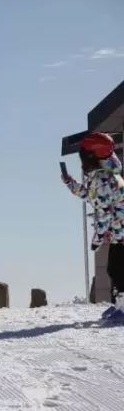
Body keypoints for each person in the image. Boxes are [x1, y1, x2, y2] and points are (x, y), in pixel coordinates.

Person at [62, 131, 124, 320]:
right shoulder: (104, 175)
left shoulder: (102, 180)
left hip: (120, 232)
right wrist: (70, 183)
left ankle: (122, 307)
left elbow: (103, 215)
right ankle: (119, 305)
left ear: (92, 156)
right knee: (115, 268)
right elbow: (90, 195)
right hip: (119, 232)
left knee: (117, 268)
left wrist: (96, 240)